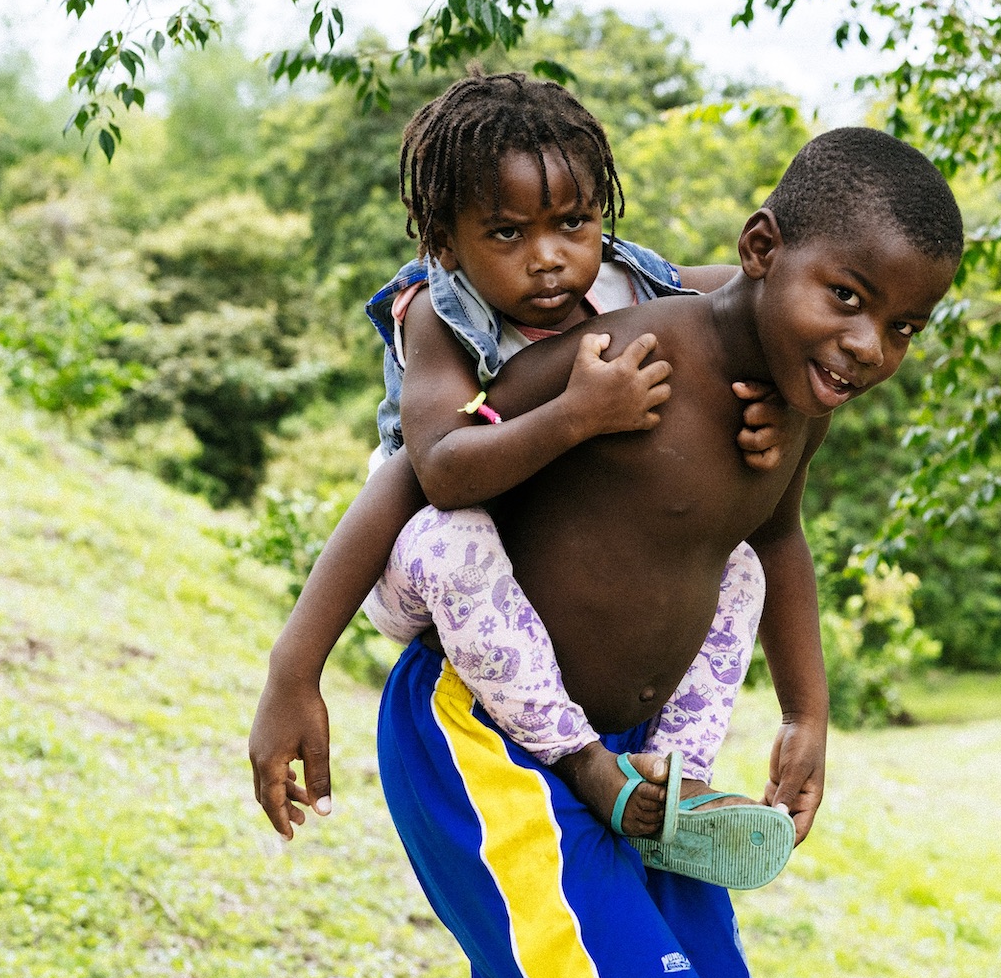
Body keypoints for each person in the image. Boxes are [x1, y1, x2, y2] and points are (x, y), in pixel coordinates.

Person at [375, 126, 960, 978]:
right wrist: (293, 674)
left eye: (905, 324)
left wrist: (809, 711)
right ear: (765, 247)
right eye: (850, 300)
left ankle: (666, 769)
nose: (871, 346)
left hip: (635, 761)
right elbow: (419, 475)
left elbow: (779, 536)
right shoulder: (617, 353)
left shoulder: (792, 399)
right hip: (488, 735)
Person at [249, 72, 796, 853]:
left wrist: (767, 395)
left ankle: (679, 773)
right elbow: (437, 472)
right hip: (424, 559)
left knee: (739, 565)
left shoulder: (627, 284)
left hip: (551, 553)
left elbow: (750, 303)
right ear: (445, 243)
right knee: (453, 535)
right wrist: (577, 415)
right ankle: (582, 763)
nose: (549, 259)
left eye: (573, 223)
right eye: (507, 234)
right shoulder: (440, 314)